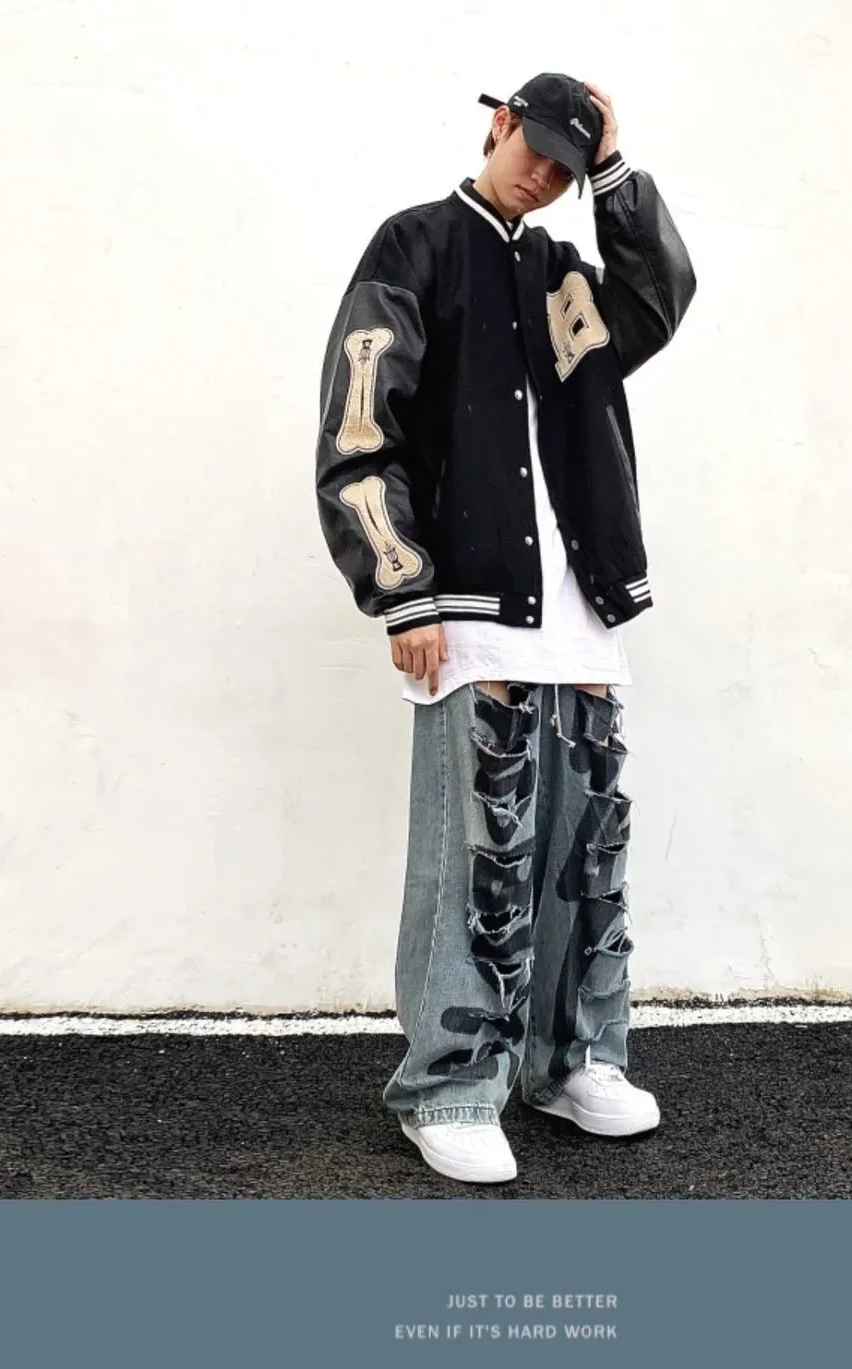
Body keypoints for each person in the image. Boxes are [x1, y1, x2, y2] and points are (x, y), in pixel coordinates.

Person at [315, 72, 695, 1184]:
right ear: (499, 125)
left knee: (587, 847)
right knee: (477, 851)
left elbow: (658, 299)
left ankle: (572, 1059)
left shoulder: (566, 274)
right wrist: (402, 585)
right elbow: (359, 424)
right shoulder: (417, 245)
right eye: (537, 152)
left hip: (579, 603)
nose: (545, 177)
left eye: (568, 170)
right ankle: (448, 1083)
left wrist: (615, 173)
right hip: (470, 602)